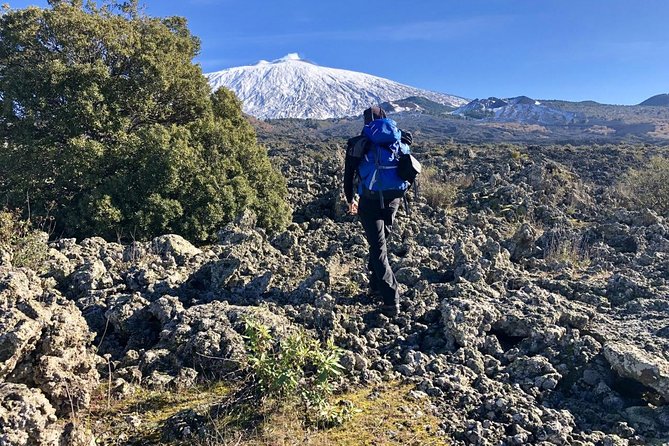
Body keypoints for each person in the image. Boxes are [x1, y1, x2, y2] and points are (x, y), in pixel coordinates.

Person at [343, 106, 413, 317]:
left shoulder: (358, 144)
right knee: (380, 244)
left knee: (378, 247)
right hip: (394, 199)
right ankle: (375, 286)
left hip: (370, 200)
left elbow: (348, 176)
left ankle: (391, 300)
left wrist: (350, 200)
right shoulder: (399, 140)